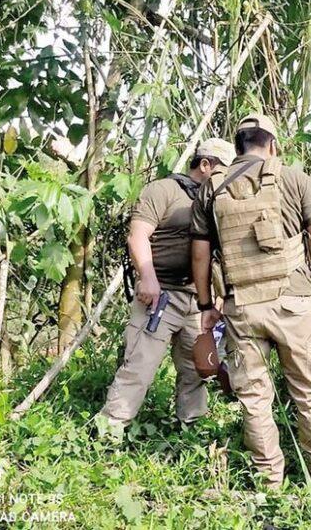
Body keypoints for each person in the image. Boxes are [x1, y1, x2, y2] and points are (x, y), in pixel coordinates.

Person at [189, 114, 311, 488]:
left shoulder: (211, 188)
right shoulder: (293, 177)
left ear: (237, 145)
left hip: (242, 307)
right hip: (291, 303)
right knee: (308, 393)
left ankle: (269, 481)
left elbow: (200, 257)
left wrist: (207, 307)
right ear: (272, 144)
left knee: (255, 398)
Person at [99, 138, 235, 432]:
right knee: (139, 366)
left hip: (197, 299)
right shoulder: (163, 190)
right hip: (160, 295)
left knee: (196, 369)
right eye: (223, 170)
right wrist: (147, 278)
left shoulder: (217, 200)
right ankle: (109, 432)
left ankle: (191, 428)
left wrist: (217, 297)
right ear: (205, 165)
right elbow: (138, 236)